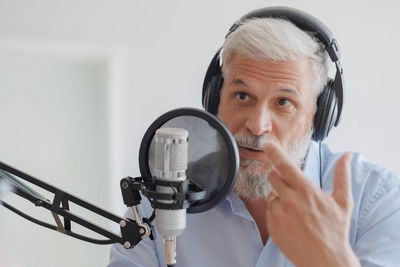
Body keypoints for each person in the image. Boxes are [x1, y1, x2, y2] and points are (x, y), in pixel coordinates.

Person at [108, 7, 400, 267]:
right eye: (242, 95)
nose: (258, 125)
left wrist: (331, 259)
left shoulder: (377, 202)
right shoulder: (159, 202)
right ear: (215, 101)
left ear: (319, 116)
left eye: (284, 102)